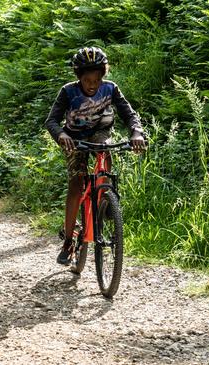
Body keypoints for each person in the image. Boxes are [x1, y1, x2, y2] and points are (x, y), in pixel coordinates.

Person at [44, 46, 146, 265]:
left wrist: (136, 132)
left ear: (103, 76)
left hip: (100, 133)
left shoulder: (111, 89)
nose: (92, 84)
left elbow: (129, 114)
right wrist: (61, 135)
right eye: (87, 80)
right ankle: (69, 241)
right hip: (74, 139)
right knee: (76, 182)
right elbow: (51, 121)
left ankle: (106, 200)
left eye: (97, 80)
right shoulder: (68, 91)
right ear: (79, 77)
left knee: (105, 151)